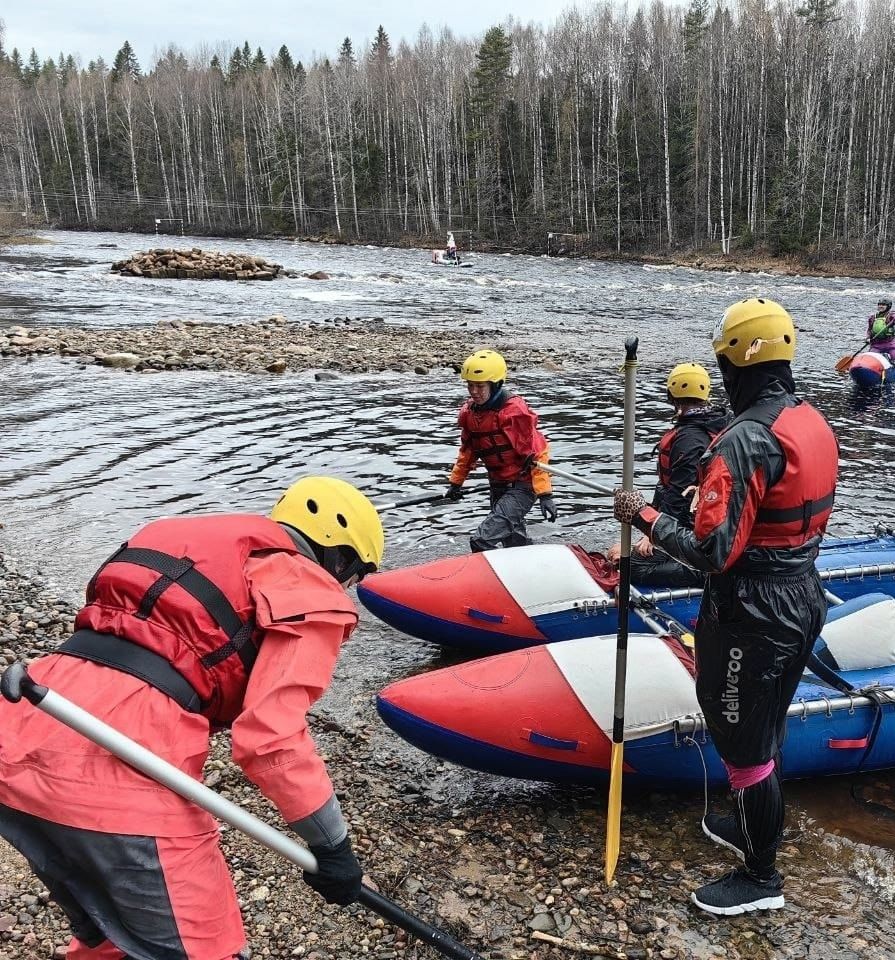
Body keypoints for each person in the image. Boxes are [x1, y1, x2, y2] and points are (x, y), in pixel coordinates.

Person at [0, 476, 384, 960]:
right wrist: (333, 847)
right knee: (205, 949)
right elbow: (270, 738)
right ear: (341, 558)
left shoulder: (178, 535)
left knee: (105, 929)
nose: (346, 589)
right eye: (354, 577)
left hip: (19, 727)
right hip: (116, 768)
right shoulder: (305, 585)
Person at [613, 297, 839, 916]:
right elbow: (764, 512)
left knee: (742, 738)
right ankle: (752, 823)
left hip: (754, 612)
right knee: (760, 726)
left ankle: (762, 877)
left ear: (737, 363)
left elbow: (713, 552)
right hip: (797, 596)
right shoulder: (809, 419)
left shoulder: (743, 440)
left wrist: (646, 517)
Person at [605, 362, 731, 586]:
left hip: (691, 523)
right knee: (627, 554)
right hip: (697, 517)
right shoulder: (714, 422)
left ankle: (704, 574)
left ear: (671, 395)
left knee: (632, 566)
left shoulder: (690, 438)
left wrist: (653, 535)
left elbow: (680, 495)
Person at [446, 349, 555, 552]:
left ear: (495, 385)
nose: (474, 391)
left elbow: (538, 453)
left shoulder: (513, 413)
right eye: (470, 385)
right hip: (498, 485)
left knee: (481, 541)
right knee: (514, 544)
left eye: (480, 386)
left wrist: (545, 494)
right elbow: (468, 452)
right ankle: (528, 570)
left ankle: (491, 579)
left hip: (522, 486)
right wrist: (456, 483)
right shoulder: (470, 414)